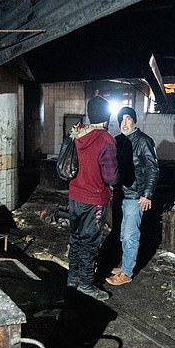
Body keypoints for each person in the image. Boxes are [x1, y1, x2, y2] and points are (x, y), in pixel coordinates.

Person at [66, 96, 119, 301]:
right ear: (107, 116)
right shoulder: (106, 139)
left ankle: (73, 278)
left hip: (75, 196)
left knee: (76, 238)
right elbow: (111, 176)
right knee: (89, 242)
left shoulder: (77, 133)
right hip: (94, 198)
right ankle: (86, 284)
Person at [106, 107, 159, 286]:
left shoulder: (144, 141)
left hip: (135, 197)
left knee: (130, 235)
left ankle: (127, 273)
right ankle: (125, 265)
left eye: (128, 119)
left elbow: (153, 168)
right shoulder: (118, 140)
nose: (124, 123)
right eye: (121, 119)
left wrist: (147, 194)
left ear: (135, 121)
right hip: (120, 195)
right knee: (122, 234)